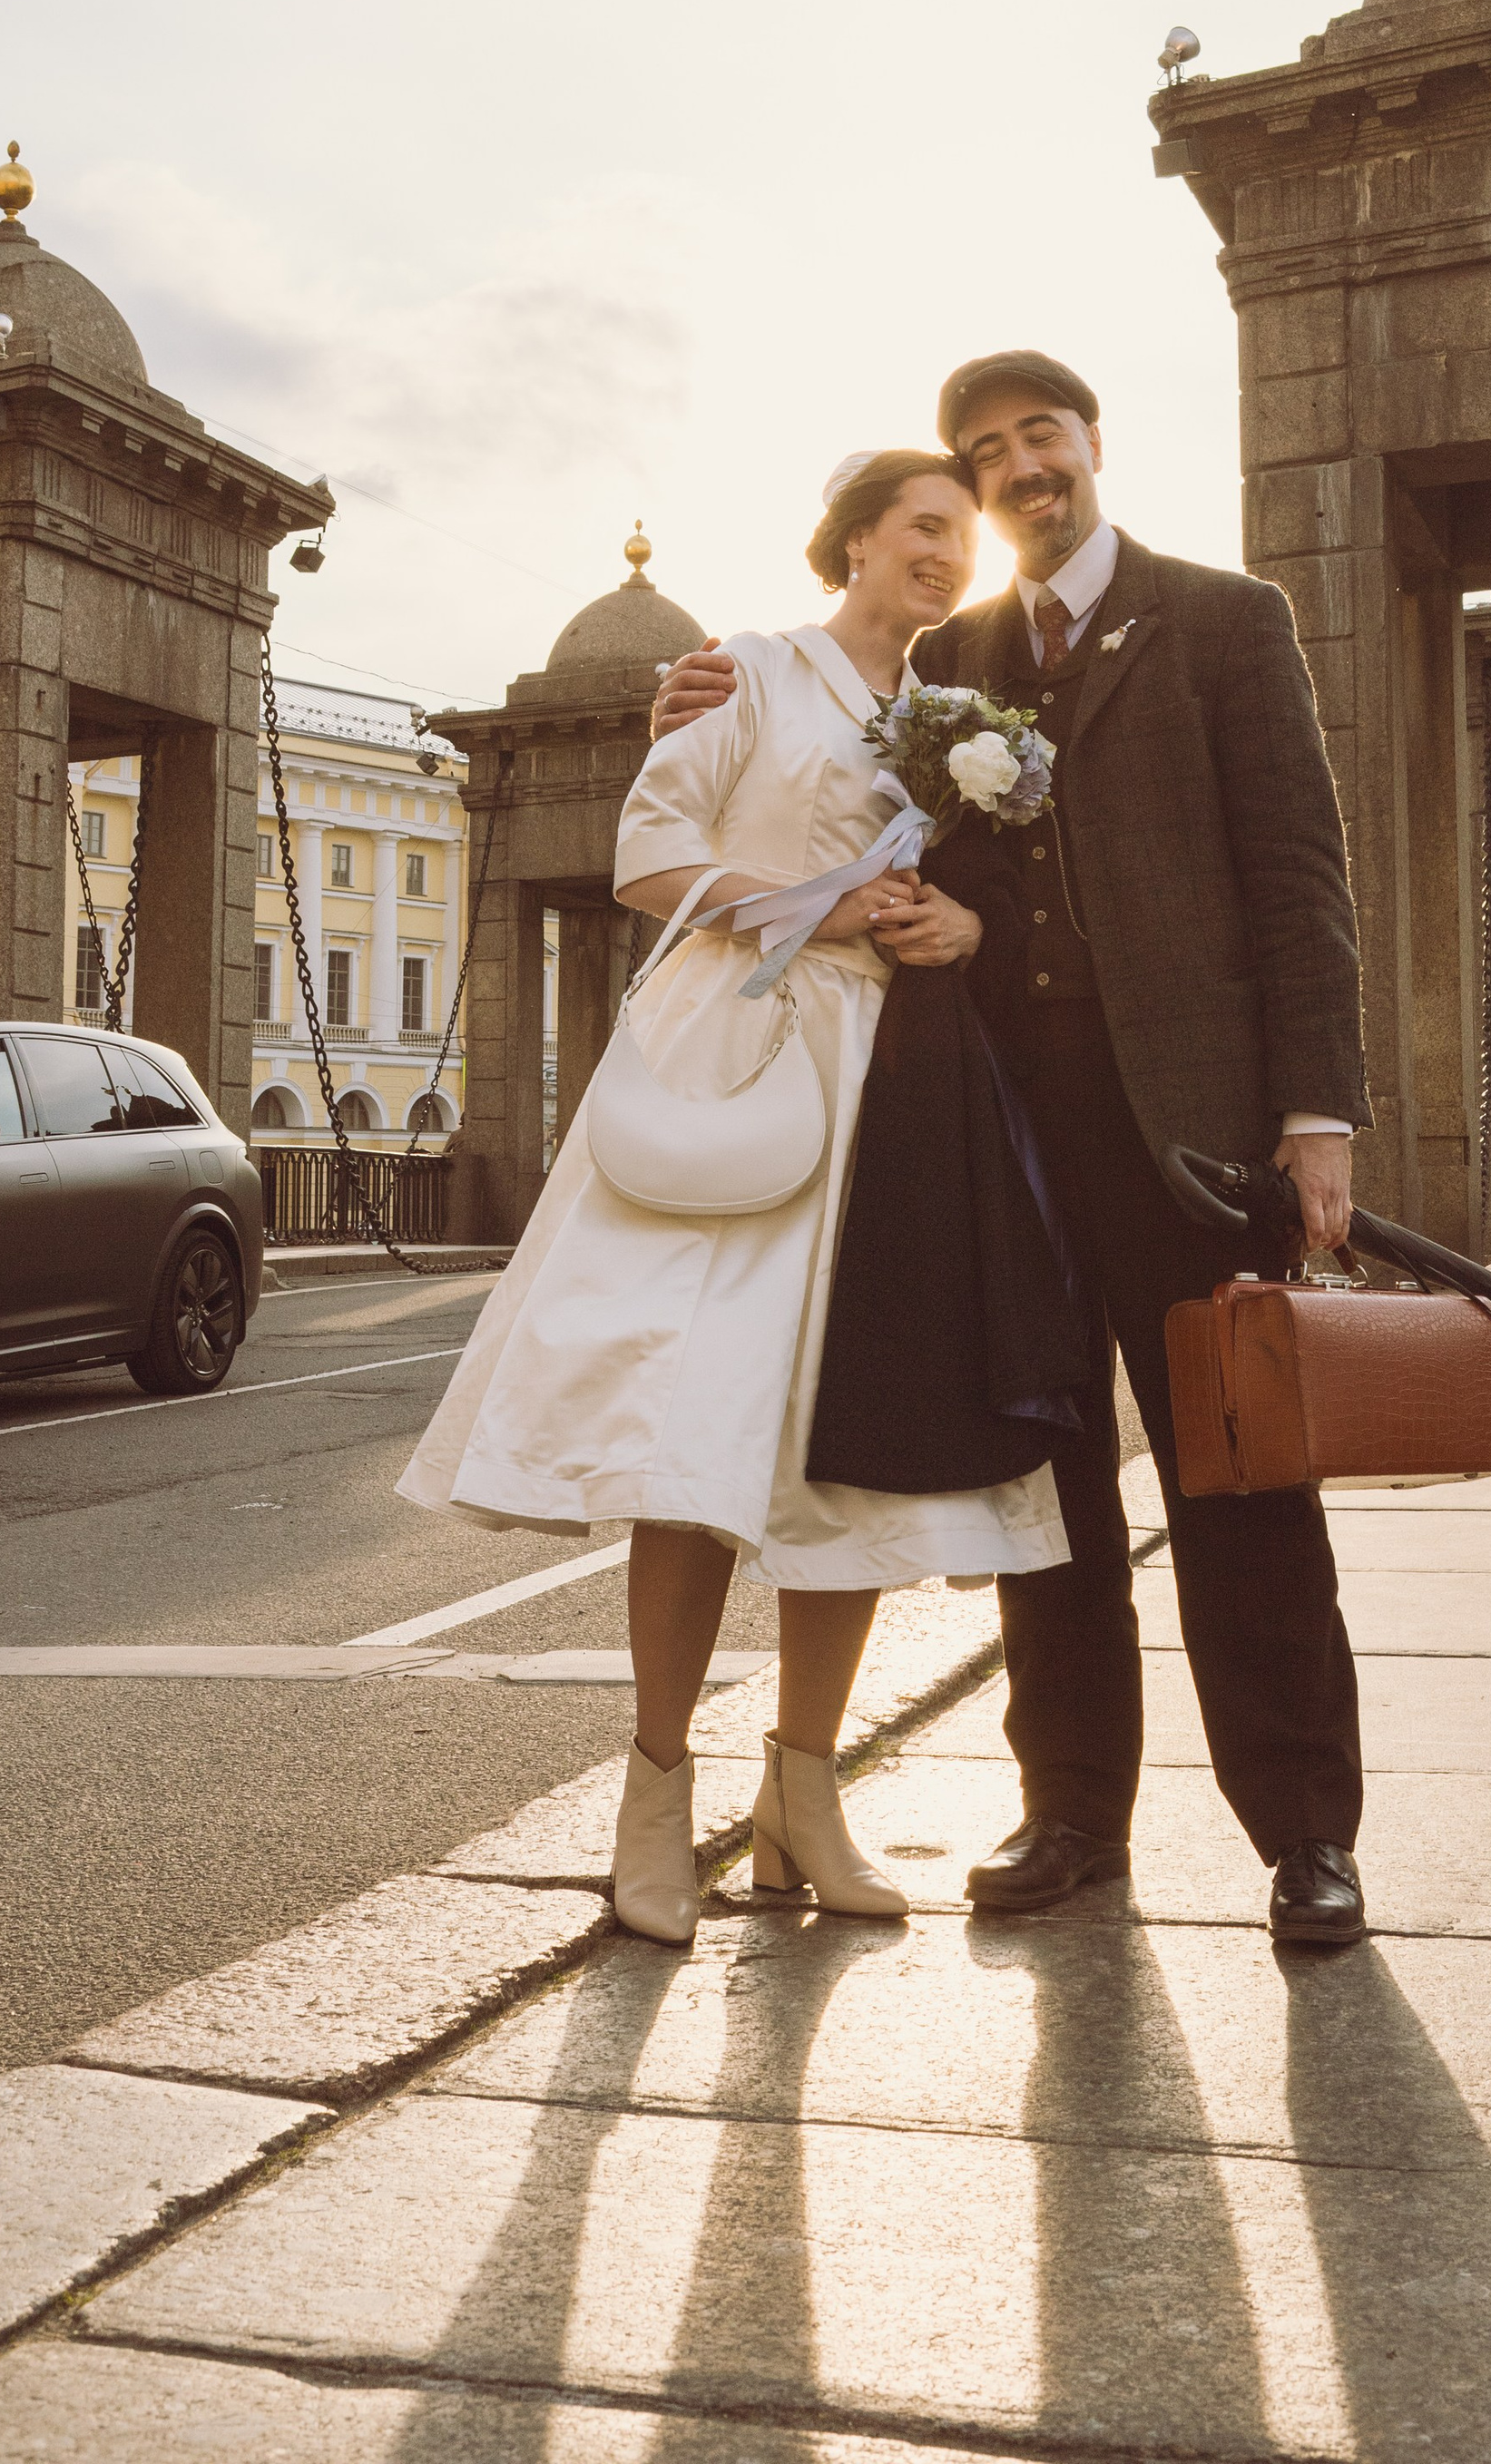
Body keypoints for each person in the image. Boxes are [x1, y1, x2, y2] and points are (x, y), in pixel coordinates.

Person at [652, 351, 1373, 1944]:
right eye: (987, 454)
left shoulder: (1227, 620)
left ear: (1092, 444)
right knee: (1039, 1504)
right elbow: (821, 786)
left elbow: (1298, 879)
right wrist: (690, 704)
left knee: (1242, 1492)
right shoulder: (942, 658)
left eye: (1038, 436)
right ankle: (1070, 1815)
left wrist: (1318, 1117)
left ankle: (1305, 1833)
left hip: (1190, 1142)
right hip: (1006, 1141)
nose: (1019, 468)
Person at [397, 449, 1071, 1948]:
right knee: (694, 1444)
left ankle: (802, 1801)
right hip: (745, 1048)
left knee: (856, 1446)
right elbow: (646, 853)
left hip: (891, 1085)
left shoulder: (957, 717)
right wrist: (824, 906)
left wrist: (941, 920)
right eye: (922, 528)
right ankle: (651, 1798)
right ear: (851, 538)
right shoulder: (750, 675)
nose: (946, 555)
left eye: (963, 538)